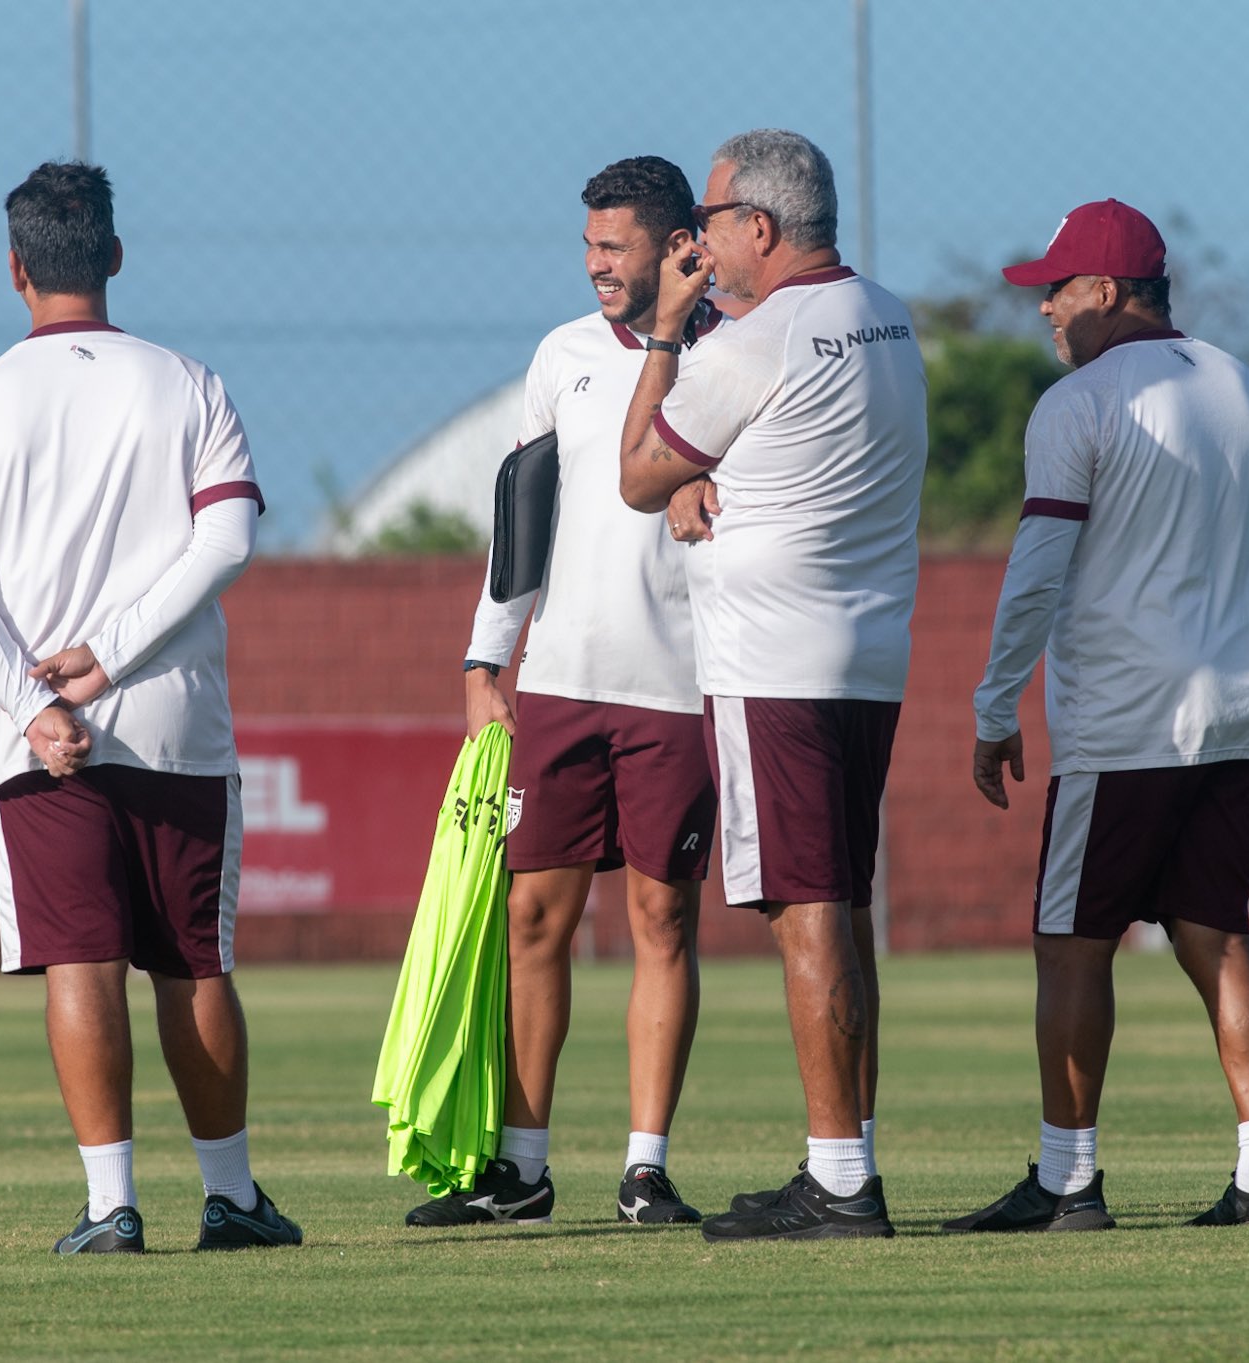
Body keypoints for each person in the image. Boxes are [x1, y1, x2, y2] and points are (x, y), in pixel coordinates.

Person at [0, 161, 301, 1255]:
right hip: (175, 719)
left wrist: (35, 697)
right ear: (116, 257)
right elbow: (225, 539)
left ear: (17, 268)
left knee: (79, 961)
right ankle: (231, 1199)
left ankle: (108, 1207)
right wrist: (110, 659)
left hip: (37, 741)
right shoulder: (189, 382)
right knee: (192, 962)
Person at [945, 199, 1249, 1233]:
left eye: (1055, 291)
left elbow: (1034, 572)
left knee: (1069, 942)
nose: (1045, 313)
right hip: (1237, 715)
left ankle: (1067, 1181)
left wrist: (991, 703)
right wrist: (1229, 638)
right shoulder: (1247, 388)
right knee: (1220, 939)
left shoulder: (1078, 404)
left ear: (1105, 293)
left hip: (1120, 725)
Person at [404, 156, 723, 1230]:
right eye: (587, 245)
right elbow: (520, 522)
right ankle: (521, 1169)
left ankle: (644, 1167)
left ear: (679, 245)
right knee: (532, 917)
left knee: (659, 918)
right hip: (558, 688)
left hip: (679, 691)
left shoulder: (734, 353)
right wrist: (482, 663)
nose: (594, 264)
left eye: (613, 245)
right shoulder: (561, 356)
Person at [619, 129, 927, 1241]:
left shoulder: (754, 341)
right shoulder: (886, 317)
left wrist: (663, 330)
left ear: (760, 227)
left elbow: (635, 471)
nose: (692, 238)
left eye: (706, 219)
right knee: (838, 908)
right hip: (867, 653)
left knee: (805, 914)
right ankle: (845, 1158)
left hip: (771, 664)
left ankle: (840, 1181)